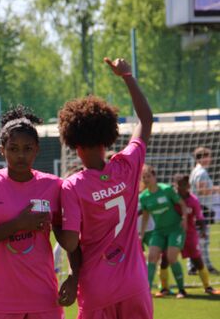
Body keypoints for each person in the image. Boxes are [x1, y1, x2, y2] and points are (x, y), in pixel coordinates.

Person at [57, 57, 153, 319]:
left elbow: (70, 241)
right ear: (109, 134)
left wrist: (52, 222)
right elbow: (145, 119)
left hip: (97, 290)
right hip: (135, 286)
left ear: (73, 144)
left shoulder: (72, 186)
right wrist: (127, 75)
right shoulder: (128, 166)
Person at [0, 105, 67, 319]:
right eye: (13, 148)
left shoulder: (54, 185)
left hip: (44, 296)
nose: (21, 155)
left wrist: (75, 277)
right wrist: (18, 224)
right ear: (2, 149)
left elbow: (68, 238)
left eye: (27, 148)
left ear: (37, 149)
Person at [161, 173, 219, 296]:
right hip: (172, 233)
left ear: (188, 185)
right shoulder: (171, 198)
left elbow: (200, 217)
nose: (180, 188)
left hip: (189, 234)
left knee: (197, 260)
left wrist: (203, 230)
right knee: (165, 259)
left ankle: (208, 287)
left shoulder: (193, 200)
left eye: (183, 185)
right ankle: (164, 288)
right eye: (178, 185)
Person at [138, 165, 188, 298]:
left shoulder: (166, 190)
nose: (147, 179)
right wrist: (141, 234)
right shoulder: (143, 197)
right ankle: (146, 291)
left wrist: (184, 218)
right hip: (159, 231)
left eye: (149, 176)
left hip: (175, 229)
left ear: (155, 177)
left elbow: (182, 204)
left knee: (172, 258)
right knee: (152, 257)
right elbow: (145, 216)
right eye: (144, 177)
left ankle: (181, 290)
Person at [189, 146, 220, 275]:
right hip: (202, 207)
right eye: (208, 156)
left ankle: (193, 266)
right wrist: (217, 189)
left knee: (197, 238)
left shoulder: (197, 171)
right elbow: (201, 190)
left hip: (200, 207)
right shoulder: (201, 172)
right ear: (201, 158)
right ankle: (204, 266)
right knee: (203, 238)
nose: (210, 159)